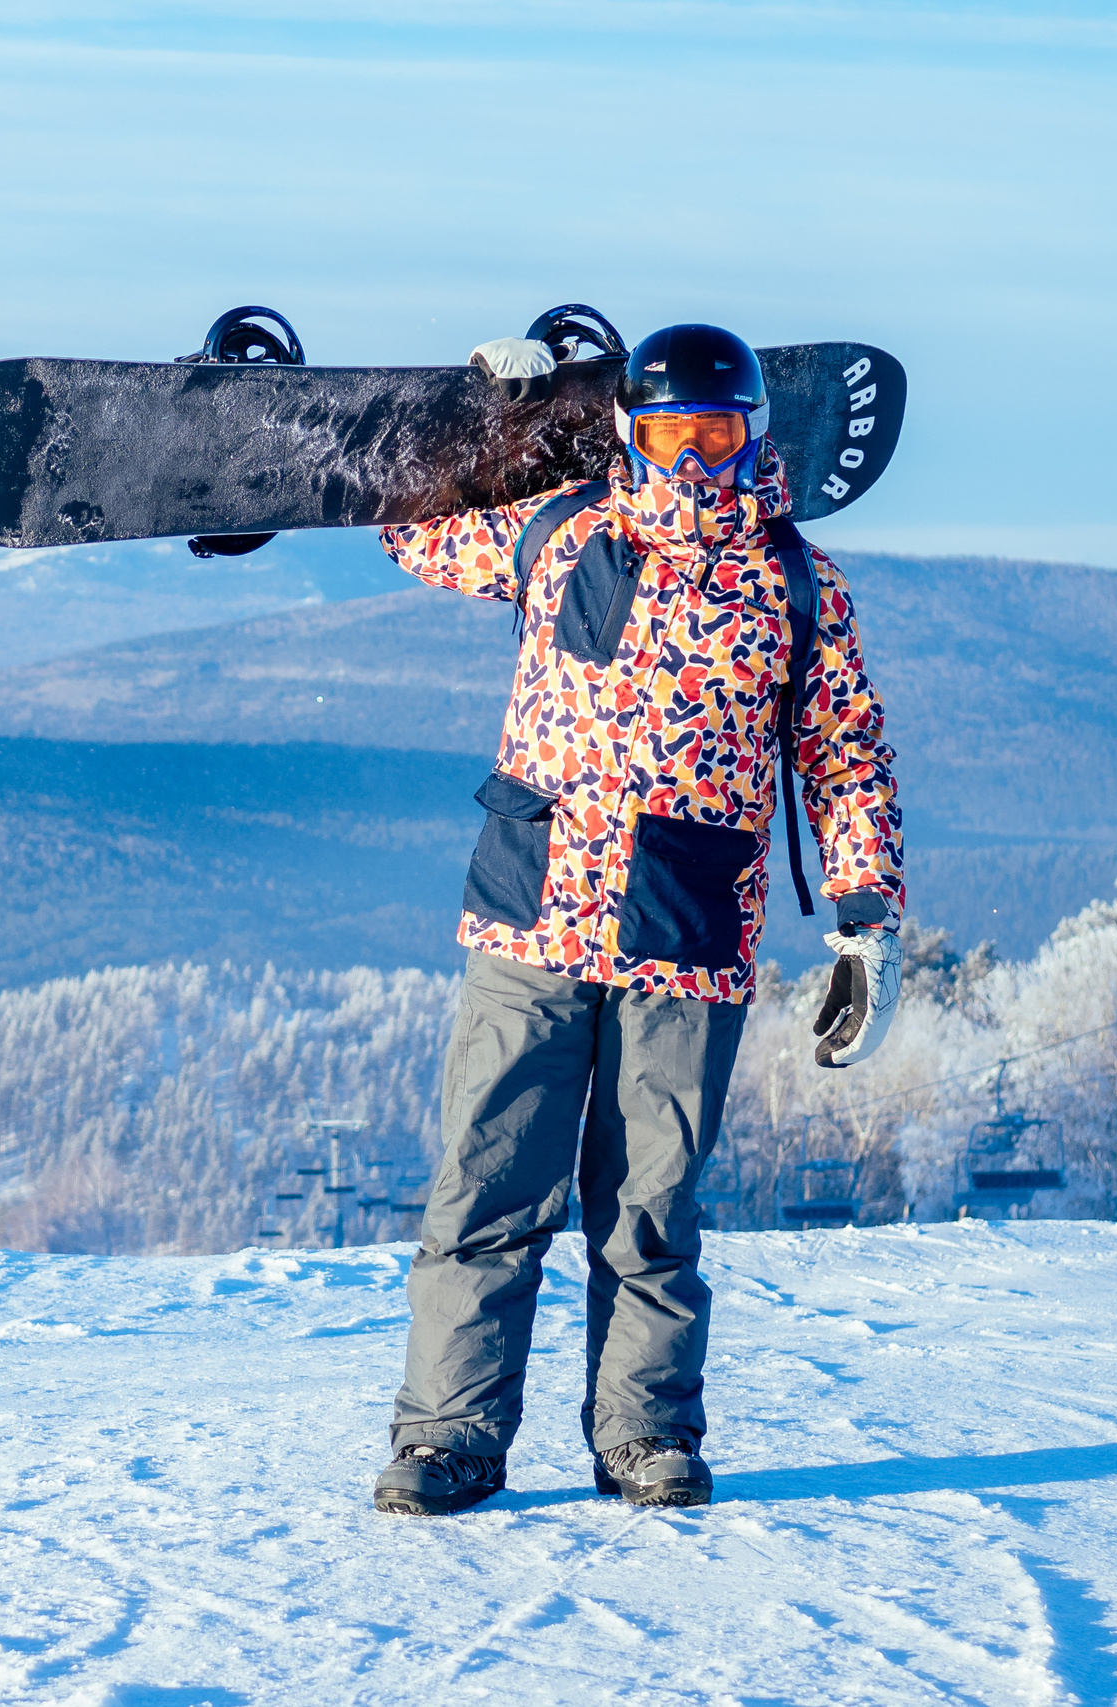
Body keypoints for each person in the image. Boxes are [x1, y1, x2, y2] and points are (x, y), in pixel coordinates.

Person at [369, 322, 905, 1515]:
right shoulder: (558, 532)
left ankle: (645, 1437)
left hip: (686, 934)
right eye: (671, 431)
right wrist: (494, 425)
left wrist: (867, 917)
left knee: (649, 1209)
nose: (697, 457)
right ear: (632, 433)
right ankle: (448, 1439)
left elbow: (842, 754)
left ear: (754, 436)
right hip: (533, 920)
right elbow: (413, 533)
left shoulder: (793, 582)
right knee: (486, 1189)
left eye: (718, 433)